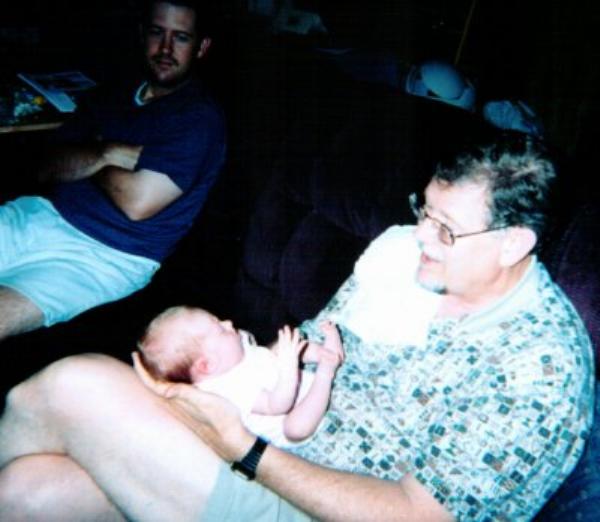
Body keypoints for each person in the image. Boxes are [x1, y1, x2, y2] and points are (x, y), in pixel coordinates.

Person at [0, 135, 594, 521]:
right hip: (268, 441)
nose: (420, 236)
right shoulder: (406, 259)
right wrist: (228, 393)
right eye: (424, 211)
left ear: (514, 244)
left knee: (70, 385)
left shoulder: (537, 366)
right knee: (28, 493)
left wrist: (242, 447)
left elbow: (418, 515)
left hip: (313, 500)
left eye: (446, 229)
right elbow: (307, 344)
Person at [0, 0, 226, 342]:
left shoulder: (199, 119)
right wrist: (108, 152)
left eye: (181, 37)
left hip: (106, 257)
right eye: (157, 32)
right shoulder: (115, 91)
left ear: (201, 47)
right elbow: (47, 164)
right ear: (142, 34)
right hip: (39, 215)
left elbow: (137, 203)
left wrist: (90, 152)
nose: (165, 48)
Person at [138, 305, 344, 444]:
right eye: (220, 329)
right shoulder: (225, 392)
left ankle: (327, 354)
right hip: (291, 411)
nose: (228, 323)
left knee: (280, 348)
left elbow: (257, 349)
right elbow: (277, 405)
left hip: (279, 375)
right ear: (207, 365)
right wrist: (289, 366)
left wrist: (284, 353)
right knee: (296, 430)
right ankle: (326, 373)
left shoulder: (228, 353)